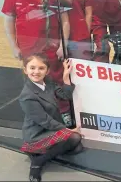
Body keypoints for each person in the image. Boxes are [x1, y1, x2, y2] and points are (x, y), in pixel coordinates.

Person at [19, 54, 83, 182]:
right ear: (25, 70)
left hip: (50, 128)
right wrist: (68, 130)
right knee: (75, 138)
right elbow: (45, 121)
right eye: (32, 68)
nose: (36, 72)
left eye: (41, 68)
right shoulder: (27, 96)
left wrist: (65, 75)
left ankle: (44, 153)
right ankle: (37, 163)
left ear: (47, 71)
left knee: (77, 148)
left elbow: (65, 95)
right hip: (37, 134)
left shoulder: (47, 82)